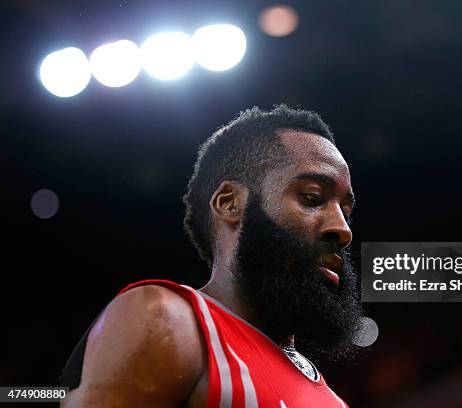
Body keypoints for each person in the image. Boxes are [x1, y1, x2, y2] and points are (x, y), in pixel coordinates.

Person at [59, 105, 363, 407]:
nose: (342, 230)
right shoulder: (168, 320)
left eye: (346, 214)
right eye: (312, 198)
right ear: (230, 204)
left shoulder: (336, 403)